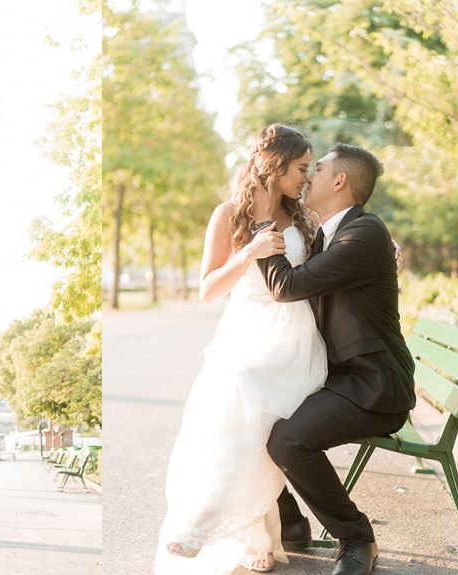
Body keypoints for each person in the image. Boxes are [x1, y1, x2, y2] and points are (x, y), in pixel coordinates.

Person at [155, 124, 328, 574]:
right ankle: (242, 531)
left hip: (295, 337)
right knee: (229, 416)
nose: (306, 179)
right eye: (301, 169)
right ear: (275, 165)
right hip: (245, 331)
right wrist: (249, 249)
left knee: (251, 407)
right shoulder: (228, 214)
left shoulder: (304, 216)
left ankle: (209, 521)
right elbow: (209, 290)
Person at [254, 143, 415, 575]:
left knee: (289, 440)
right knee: (249, 414)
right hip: (335, 377)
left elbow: (286, 286)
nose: (308, 176)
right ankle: (290, 523)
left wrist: (263, 230)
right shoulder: (331, 232)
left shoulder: (364, 234)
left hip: (373, 387)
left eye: (317, 168)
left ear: (340, 181)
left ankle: (356, 537)